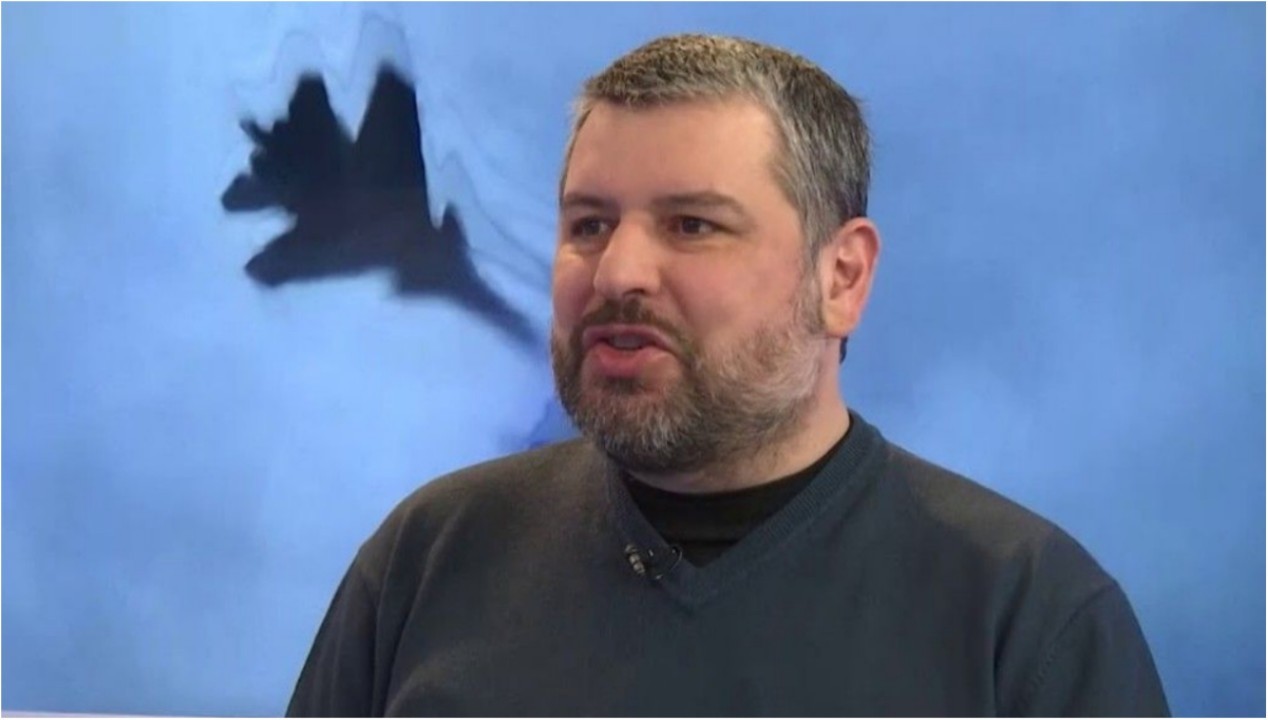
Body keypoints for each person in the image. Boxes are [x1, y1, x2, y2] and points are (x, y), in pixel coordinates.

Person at [287, 33, 1169, 716]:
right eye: (589, 224)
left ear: (842, 277)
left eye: (693, 226)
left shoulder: (1027, 618)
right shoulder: (428, 563)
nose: (618, 272)